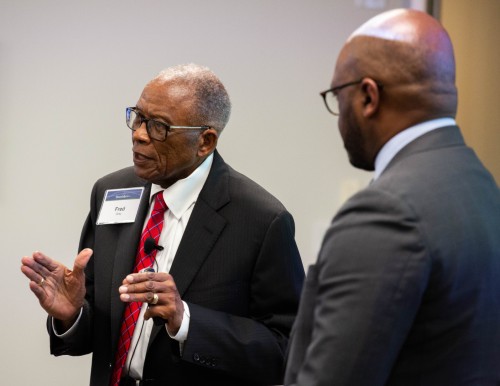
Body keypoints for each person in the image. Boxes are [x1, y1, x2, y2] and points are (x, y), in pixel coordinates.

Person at [21, 63, 305, 386]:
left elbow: (288, 349)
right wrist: (72, 314)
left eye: (159, 127)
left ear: (205, 141)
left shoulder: (262, 221)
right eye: (138, 118)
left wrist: (187, 322)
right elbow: (100, 327)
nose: (139, 135)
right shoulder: (110, 192)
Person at [285, 8, 500, 386]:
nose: (337, 115)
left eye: (337, 95)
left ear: (368, 96)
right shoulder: (478, 183)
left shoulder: (386, 211)